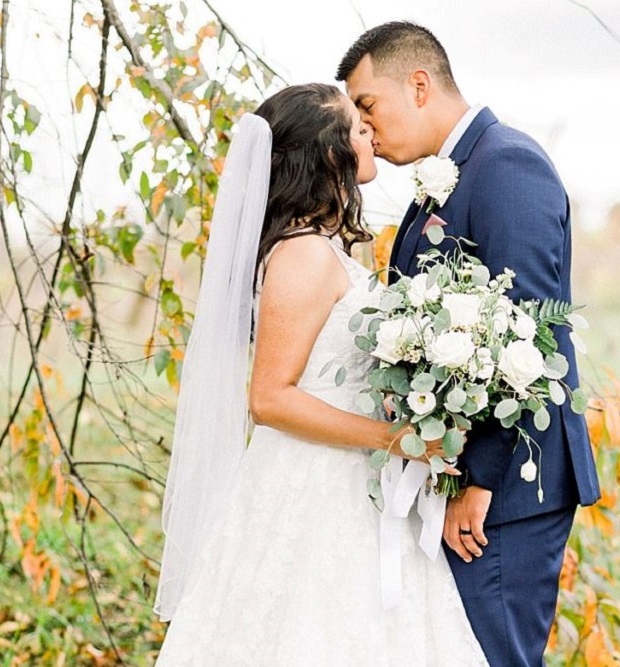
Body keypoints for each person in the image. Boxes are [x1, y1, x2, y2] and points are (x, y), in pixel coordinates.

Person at [153, 83, 487, 665]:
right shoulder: (303, 253)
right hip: (314, 486)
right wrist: (399, 441)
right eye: (357, 127)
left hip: (349, 477)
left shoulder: (324, 245)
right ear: (329, 153)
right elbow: (270, 399)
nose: (370, 134)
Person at [338, 22, 602, 666]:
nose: (365, 130)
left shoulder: (506, 163)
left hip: (504, 488)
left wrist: (478, 482)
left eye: (368, 107)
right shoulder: (449, 175)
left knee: (495, 656)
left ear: (419, 85)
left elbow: (530, 332)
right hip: (460, 480)